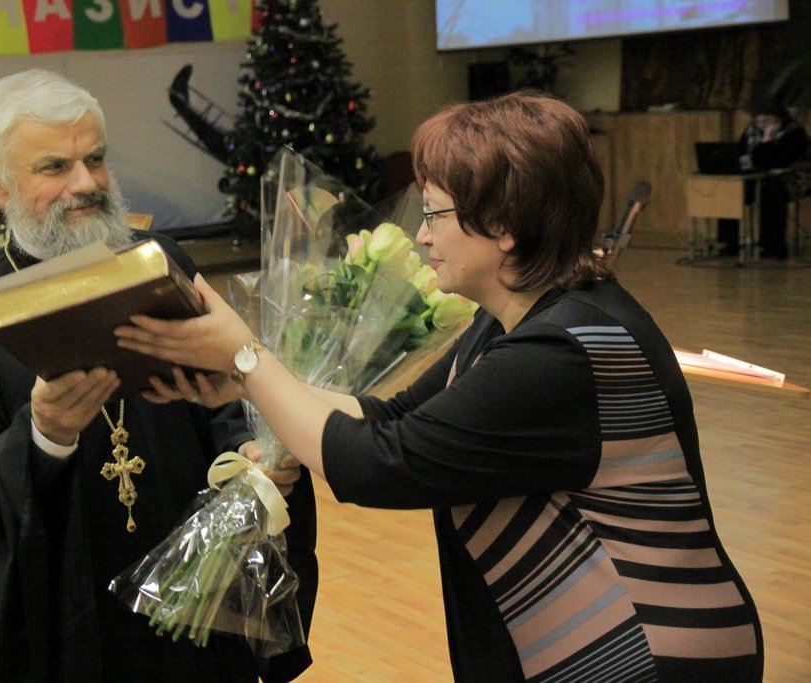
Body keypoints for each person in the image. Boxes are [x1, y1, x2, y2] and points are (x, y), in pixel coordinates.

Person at [117, 92, 764, 681]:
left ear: (504, 224)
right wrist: (246, 388)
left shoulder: (560, 354)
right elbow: (390, 417)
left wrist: (248, 357)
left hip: (640, 650)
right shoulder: (511, 321)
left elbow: (377, 463)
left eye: (435, 212)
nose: (422, 233)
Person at [0, 69, 317, 683]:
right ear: (0, 188)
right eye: (55, 167)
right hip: (77, 614)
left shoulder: (158, 262)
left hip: (198, 592)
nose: (86, 183)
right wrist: (43, 435)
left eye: (95, 159)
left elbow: (224, 393)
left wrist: (249, 448)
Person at [718, 97, 809, 259]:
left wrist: (767, 140)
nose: (761, 125)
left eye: (766, 121)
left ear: (779, 119)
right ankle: (731, 242)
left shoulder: (794, 133)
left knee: (770, 191)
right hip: (758, 175)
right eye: (758, 121)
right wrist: (743, 159)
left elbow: (776, 160)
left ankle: (773, 246)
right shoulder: (751, 131)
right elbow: (742, 152)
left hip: (793, 177)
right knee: (732, 189)